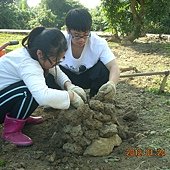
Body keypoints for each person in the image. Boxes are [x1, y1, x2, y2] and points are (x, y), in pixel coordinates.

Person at [0, 26, 86, 146]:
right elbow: (43, 96)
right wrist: (71, 96)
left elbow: (56, 71)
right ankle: (11, 131)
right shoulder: (27, 64)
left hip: (3, 97)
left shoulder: (33, 54)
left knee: (37, 83)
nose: (56, 64)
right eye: (55, 60)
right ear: (40, 54)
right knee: (29, 91)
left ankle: (20, 117)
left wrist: (69, 85)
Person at [59, 8, 120, 100]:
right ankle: (61, 98)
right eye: (76, 35)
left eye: (85, 34)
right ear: (68, 30)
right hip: (64, 78)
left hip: (87, 77)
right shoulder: (59, 41)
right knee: (51, 70)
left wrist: (112, 84)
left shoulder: (98, 43)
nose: (82, 40)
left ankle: (96, 98)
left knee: (103, 69)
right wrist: (68, 85)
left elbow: (113, 66)